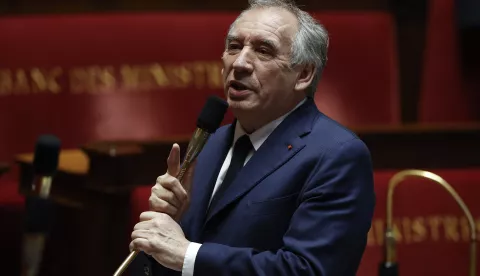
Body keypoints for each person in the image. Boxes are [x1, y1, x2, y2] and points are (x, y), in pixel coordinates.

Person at [129, 0, 376, 275]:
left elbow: (309, 270)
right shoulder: (211, 142)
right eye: (234, 47)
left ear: (303, 74)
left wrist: (188, 255)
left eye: (263, 50)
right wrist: (170, 224)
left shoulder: (337, 155)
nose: (241, 63)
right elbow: (175, 254)